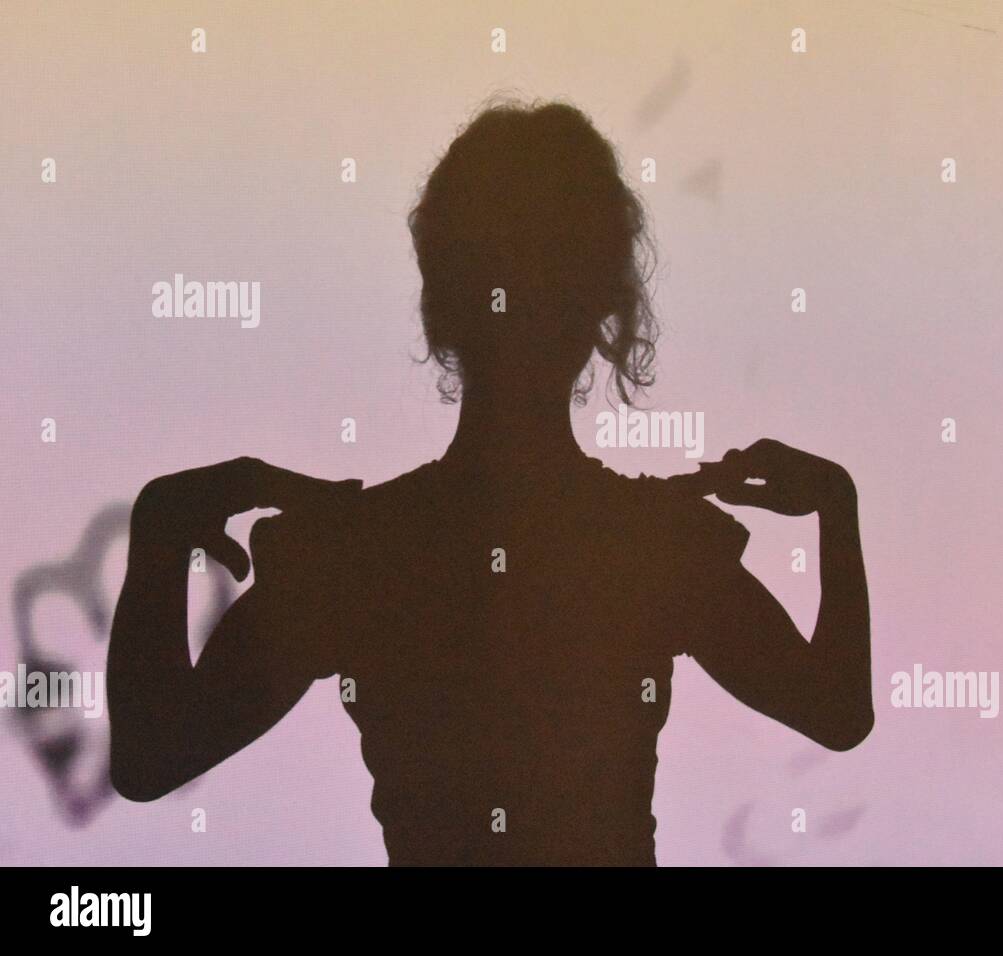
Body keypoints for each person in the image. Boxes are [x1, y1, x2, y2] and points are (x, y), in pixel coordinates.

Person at [108, 98, 873, 865]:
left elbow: (150, 757)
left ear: (440, 310)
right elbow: (837, 710)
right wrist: (835, 508)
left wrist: (162, 525)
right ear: (606, 312)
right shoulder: (646, 544)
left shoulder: (362, 554)